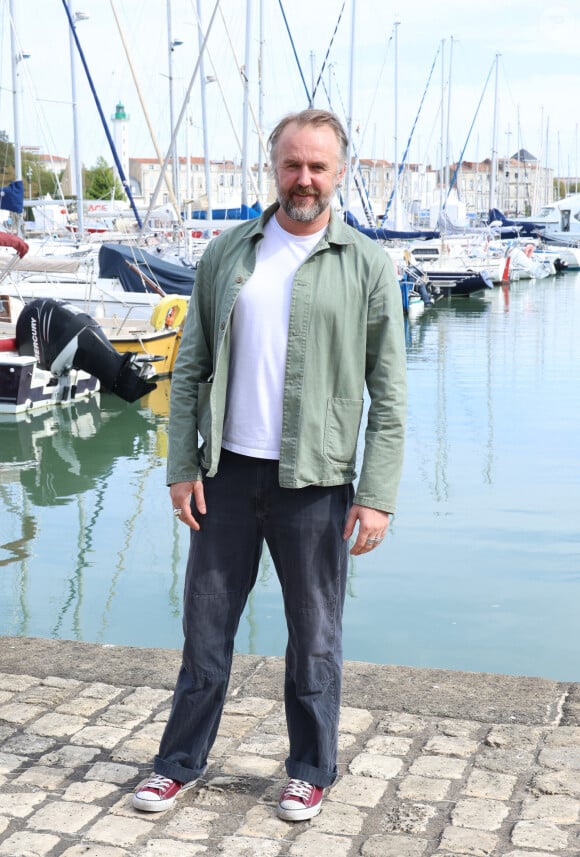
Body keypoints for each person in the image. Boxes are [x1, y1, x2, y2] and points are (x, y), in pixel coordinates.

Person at [132, 108, 407, 822]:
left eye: (317, 165)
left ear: (340, 171)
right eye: (292, 164)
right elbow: (190, 368)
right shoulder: (228, 253)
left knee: (315, 639)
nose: (304, 178)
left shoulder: (370, 266)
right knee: (205, 631)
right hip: (224, 476)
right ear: (273, 167)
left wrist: (375, 495)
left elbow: (392, 394)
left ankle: (311, 770)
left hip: (314, 485)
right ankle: (177, 763)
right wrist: (181, 465)